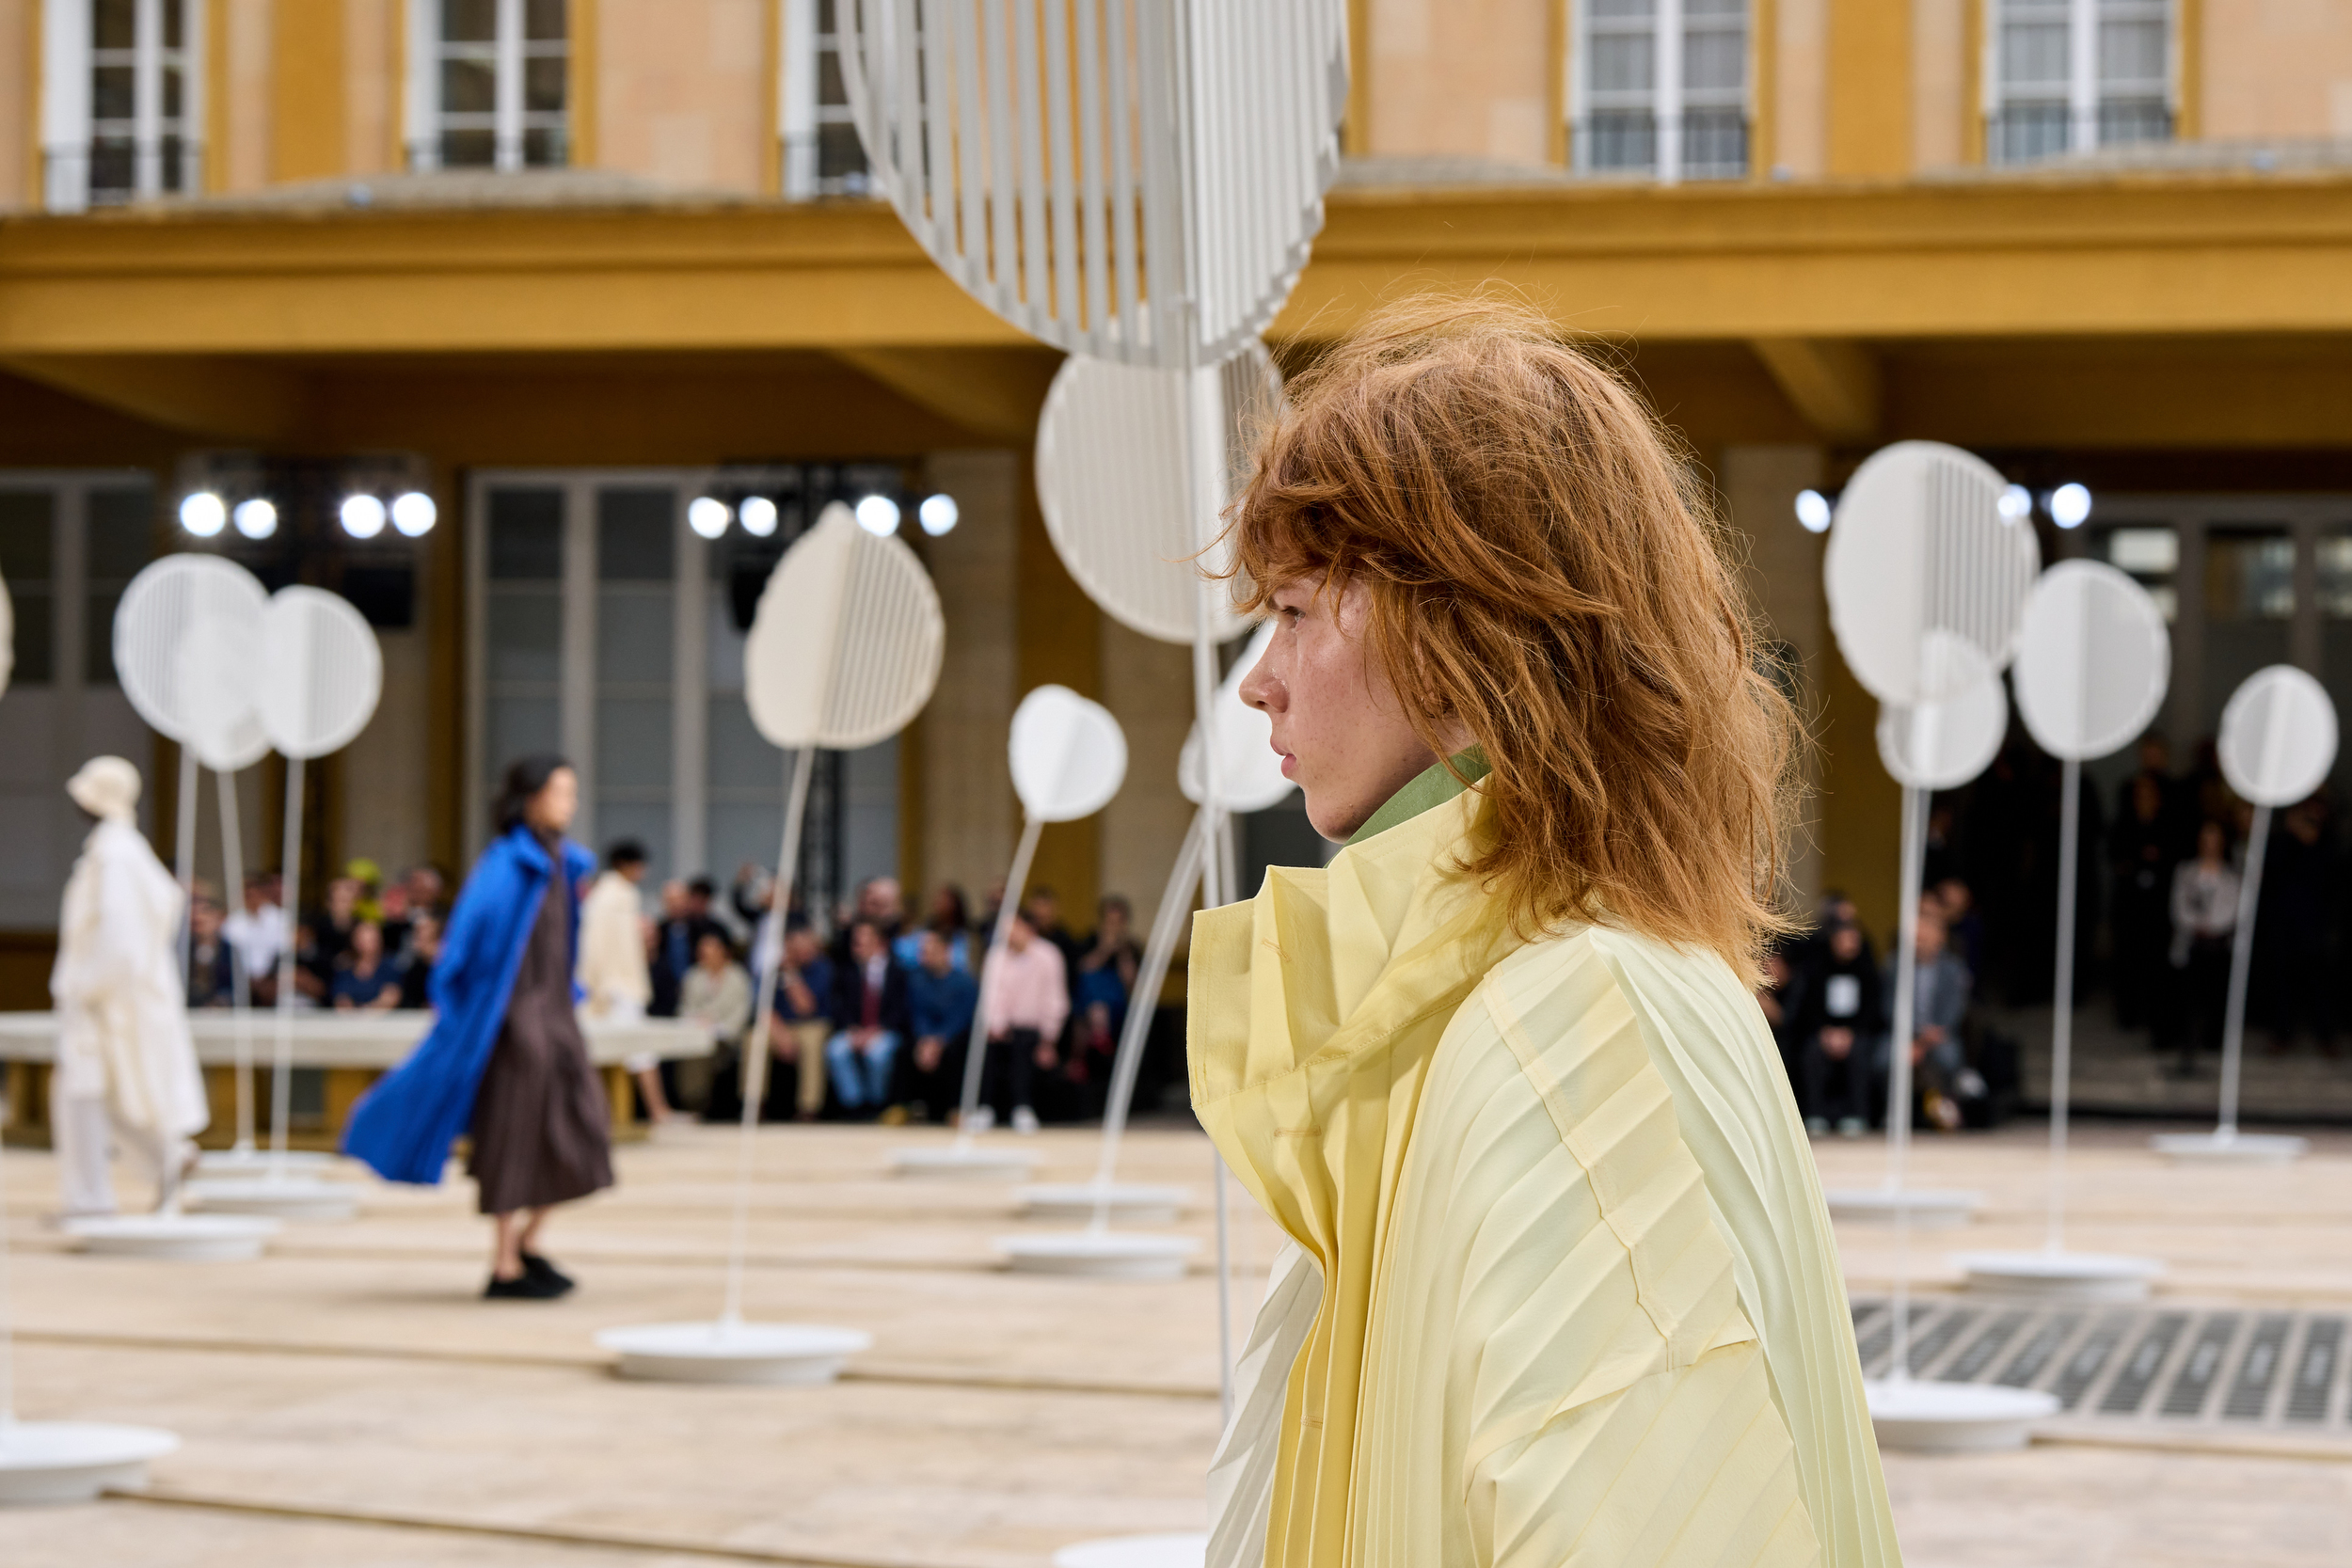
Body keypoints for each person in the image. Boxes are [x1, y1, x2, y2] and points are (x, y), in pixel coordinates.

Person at [1198, 300, 1898, 1565]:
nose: (1261, 675)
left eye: (1297, 610)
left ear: (1459, 632)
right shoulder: (1539, 982)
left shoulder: (1569, 1024)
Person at [344, 755, 612, 1300]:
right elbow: (462, 949)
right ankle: (506, 1262)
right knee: (513, 1138)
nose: (571, 802)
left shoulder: (562, 863)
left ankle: (528, 1246)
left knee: (583, 1129)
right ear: (532, 797)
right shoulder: (505, 865)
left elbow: (562, 946)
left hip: (555, 1017)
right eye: (562, 791)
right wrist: (466, 1012)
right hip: (510, 1024)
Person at [48, 757, 211, 1220]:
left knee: (90, 1093)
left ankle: (95, 1195)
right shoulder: (115, 849)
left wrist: (87, 988)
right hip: (110, 995)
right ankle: (164, 1159)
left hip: (109, 999)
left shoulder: (117, 853)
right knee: (103, 1094)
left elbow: (120, 937)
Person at [580, 839, 665, 1122]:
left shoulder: (605, 894)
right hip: (616, 985)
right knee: (637, 1049)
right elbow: (599, 946)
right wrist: (600, 984)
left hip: (608, 983)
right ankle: (657, 1111)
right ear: (628, 865)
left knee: (621, 1051)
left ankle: (610, 1114)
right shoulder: (616, 896)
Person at [974, 909, 1067, 1134]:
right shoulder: (996, 956)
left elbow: (1055, 998)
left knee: (1022, 1045)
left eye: (1013, 927)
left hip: (1034, 1026)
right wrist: (995, 1024)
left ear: (1028, 928)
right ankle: (984, 1108)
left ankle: (1022, 1107)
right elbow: (991, 995)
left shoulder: (1049, 955)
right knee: (982, 1044)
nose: (1008, 933)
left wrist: (1049, 1037)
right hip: (1002, 1025)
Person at [1795, 919, 1883, 1136]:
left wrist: (1850, 1033)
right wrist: (1825, 1032)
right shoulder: (1817, 968)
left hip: (1856, 1033)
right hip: (1824, 1032)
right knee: (1811, 1054)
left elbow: (1872, 1009)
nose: (1848, 945)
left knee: (1861, 1056)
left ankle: (1857, 1114)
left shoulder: (1868, 971)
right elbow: (1809, 1006)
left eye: (1853, 940)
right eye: (1843, 940)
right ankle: (1815, 1114)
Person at [2169, 817, 2241, 1078]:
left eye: (2215, 840)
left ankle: (2211, 1041)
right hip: (2192, 945)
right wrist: (2197, 924)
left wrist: (2212, 926)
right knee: (2189, 997)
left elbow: (2233, 910)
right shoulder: (2186, 871)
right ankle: (2187, 1041)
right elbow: (2179, 907)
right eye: (2206, 839)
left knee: (2214, 996)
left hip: (2218, 946)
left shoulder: (2231, 876)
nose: (2210, 845)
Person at [1899, 907, 1981, 1132]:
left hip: (1941, 1035)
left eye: (1923, 938)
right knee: (1886, 1058)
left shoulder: (1953, 969)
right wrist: (1913, 1035)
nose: (1918, 943)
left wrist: (1927, 1038)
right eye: (1915, 939)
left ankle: (1947, 1110)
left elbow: (1955, 1008)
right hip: (1903, 1035)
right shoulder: (1896, 966)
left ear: (1939, 938)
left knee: (1948, 1058)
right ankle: (1892, 1113)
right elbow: (1890, 1007)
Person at [825, 919, 910, 1118]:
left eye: (862, 942)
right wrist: (852, 1029)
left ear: (878, 943)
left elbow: (901, 1009)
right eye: (855, 942)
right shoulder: (847, 971)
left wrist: (878, 1030)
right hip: (855, 1031)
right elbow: (839, 1006)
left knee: (877, 1054)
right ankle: (854, 1105)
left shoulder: (897, 971)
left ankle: (876, 1103)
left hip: (886, 1031)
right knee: (835, 1050)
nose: (856, 947)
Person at [903, 927, 978, 1123]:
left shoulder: (965, 982)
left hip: (952, 1036)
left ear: (946, 951)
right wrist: (925, 1039)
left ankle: (955, 1108)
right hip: (926, 1036)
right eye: (923, 952)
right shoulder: (916, 979)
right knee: (904, 1047)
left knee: (957, 1050)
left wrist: (938, 1041)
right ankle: (911, 1105)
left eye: (931, 952)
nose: (925, 957)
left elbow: (960, 1018)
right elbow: (917, 1012)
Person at [762, 926, 834, 1120]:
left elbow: (806, 1007)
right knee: (755, 1039)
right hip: (782, 1026)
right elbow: (764, 1008)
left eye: (805, 947)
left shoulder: (822, 968)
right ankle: (754, 1102)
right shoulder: (774, 971)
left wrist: (792, 974)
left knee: (812, 1042)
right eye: (795, 947)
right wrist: (780, 1034)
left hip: (812, 1024)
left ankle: (808, 1108)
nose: (801, 951)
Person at [222, 872, 283, 1006]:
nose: (252, 898)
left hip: (273, 979)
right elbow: (230, 957)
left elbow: (283, 952)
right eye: (248, 894)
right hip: (242, 980)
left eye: (256, 893)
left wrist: (267, 979)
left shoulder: (280, 919)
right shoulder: (233, 922)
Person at [329, 920, 404, 1011]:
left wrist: (366, 1014)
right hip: (351, 1022)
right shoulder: (345, 967)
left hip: (384, 1022)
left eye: (373, 939)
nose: (369, 943)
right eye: (364, 939)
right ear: (355, 940)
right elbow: (341, 1000)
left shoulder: (390, 966)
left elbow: (391, 997)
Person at [185, 889, 236, 1008]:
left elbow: (237, 987)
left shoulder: (230, 951)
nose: (199, 918)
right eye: (196, 914)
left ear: (220, 918)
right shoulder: (183, 949)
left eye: (206, 913)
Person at [398, 913, 441, 1009]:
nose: (421, 932)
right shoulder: (413, 971)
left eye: (425, 928)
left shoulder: (448, 965)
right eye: (418, 931)